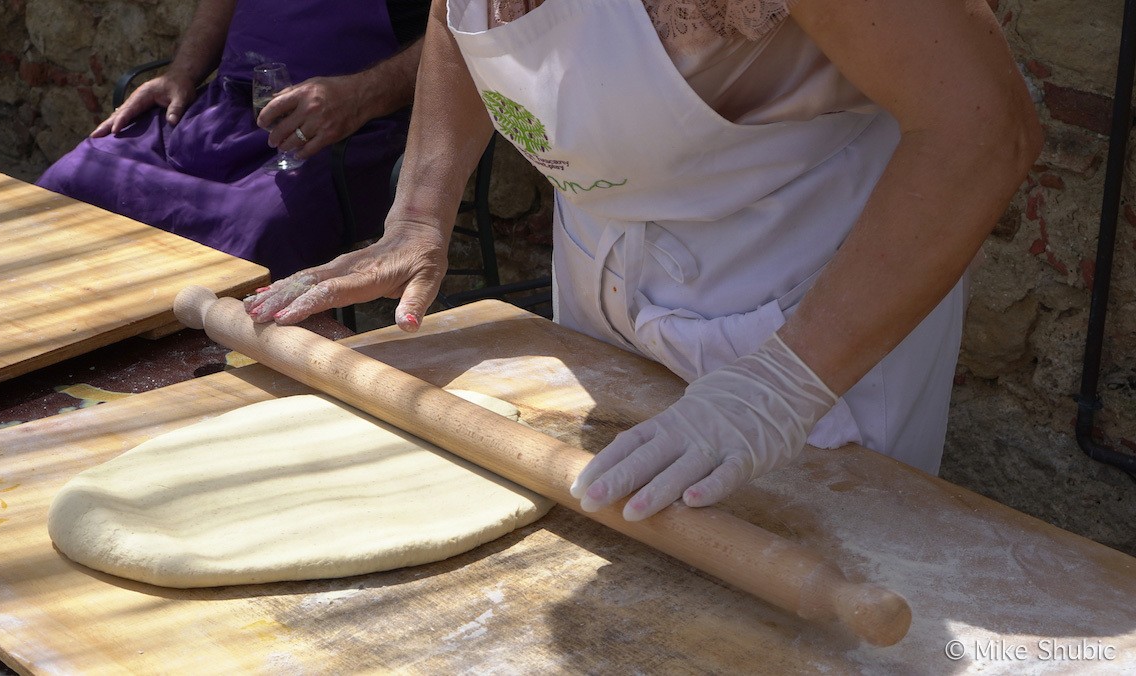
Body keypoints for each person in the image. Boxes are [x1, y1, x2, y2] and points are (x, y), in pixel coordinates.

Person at [244, 0, 1042, 520]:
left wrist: (782, 385)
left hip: (804, 308)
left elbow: (980, 126)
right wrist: (417, 214)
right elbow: (461, 19)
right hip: (606, 273)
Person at [37, 0, 430, 279]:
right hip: (223, 107)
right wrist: (182, 72)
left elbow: (457, 40)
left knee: (253, 233)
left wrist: (359, 95)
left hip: (343, 129)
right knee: (72, 180)